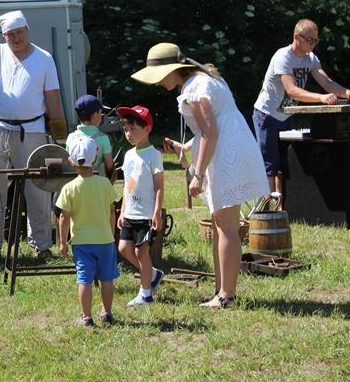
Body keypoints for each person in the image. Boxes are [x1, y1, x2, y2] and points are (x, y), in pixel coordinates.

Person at [132, 42, 267, 308]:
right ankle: (221, 291)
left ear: (173, 70)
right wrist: (187, 147)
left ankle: (227, 296)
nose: (158, 83)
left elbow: (211, 132)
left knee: (226, 225)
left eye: (159, 76)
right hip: (230, 145)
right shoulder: (203, 80)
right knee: (220, 222)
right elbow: (214, 125)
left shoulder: (195, 88)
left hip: (227, 152)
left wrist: (199, 174)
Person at [0, 0, 67, 260]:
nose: (15, 38)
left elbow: (52, 98)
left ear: (27, 30)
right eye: (9, 34)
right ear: (3, 36)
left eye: (18, 32)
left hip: (32, 131)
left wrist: (60, 138)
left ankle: (41, 245)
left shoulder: (44, 59)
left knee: (38, 188)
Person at [253, 19, 350, 207]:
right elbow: (292, 90)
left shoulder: (310, 58)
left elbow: (327, 83)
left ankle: (283, 206)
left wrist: (347, 93)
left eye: (316, 41)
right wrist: (321, 98)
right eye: (310, 40)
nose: (313, 45)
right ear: (297, 37)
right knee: (269, 164)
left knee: (284, 163)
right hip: (267, 115)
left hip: (286, 115)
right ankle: (267, 210)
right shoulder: (283, 57)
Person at [56, 137, 118, 326]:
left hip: (82, 242)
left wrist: (62, 242)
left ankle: (86, 317)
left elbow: (64, 217)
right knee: (107, 278)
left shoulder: (69, 188)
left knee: (85, 279)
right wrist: (112, 233)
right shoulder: (105, 184)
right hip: (105, 240)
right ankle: (107, 313)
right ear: (96, 158)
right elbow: (112, 212)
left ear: (70, 161)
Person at [115, 105, 165, 306]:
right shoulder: (128, 155)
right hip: (130, 214)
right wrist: (123, 211)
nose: (129, 134)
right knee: (124, 248)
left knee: (141, 252)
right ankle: (151, 274)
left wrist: (157, 212)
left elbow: (160, 187)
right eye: (126, 130)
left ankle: (145, 294)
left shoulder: (154, 155)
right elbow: (128, 184)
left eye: (133, 129)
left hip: (146, 214)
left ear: (147, 129)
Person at [65, 94, 114, 178]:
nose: (101, 116)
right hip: (97, 184)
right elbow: (109, 165)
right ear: (95, 114)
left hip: (77, 181)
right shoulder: (103, 138)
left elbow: (69, 161)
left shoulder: (71, 137)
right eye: (100, 112)